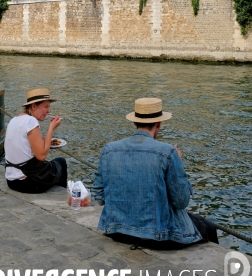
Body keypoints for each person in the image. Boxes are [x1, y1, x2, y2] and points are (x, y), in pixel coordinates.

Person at [92, 97, 218, 249]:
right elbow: (181, 201)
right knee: (208, 227)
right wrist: (177, 160)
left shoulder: (108, 150)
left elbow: (99, 196)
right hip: (157, 237)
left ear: (134, 122)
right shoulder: (168, 153)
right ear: (159, 123)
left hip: (117, 231)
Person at [4, 87, 67, 194]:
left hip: (11, 181)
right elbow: (41, 156)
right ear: (33, 106)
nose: (48, 111)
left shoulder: (14, 120)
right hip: (28, 183)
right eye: (46, 107)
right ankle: (63, 195)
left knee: (50, 165)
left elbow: (26, 147)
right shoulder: (31, 121)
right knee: (61, 162)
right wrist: (51, 128)